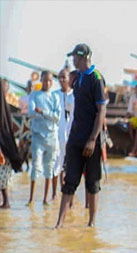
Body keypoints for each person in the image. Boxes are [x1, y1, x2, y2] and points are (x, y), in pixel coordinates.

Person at [54, 43, 107, 229]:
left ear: (82, 57)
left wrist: (93, 139)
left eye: (75, 58)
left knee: (92, 182)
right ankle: (59, 223)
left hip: (90, 139)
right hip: (75, 138)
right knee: (70, 181)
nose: (73, 61)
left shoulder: (96, 78)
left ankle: (91, 223)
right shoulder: (77, 78)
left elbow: (101, 111)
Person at [27, 71, 61, 205]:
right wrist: (46, 115)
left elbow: (57, 117)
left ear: (52, 82)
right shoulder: (34, 95)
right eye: (45, 80)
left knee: (49, 167)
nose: (47, 83)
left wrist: (42, 112)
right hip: (37, 135)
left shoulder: (54, 97)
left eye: (50, 81)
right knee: (35, 166)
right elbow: (30, 112)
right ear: (41, 80)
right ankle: (31, 199)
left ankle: (45, 199)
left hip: (51, 136)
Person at [52, 68, 75, 200]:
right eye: (59, 77)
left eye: (64, 77)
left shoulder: (74, 96)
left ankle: (67, 194)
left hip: (71, 135)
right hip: (56, 134)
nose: (61, 80)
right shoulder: (54, 95)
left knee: (68, 166)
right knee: (56, 164)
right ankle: (54, 194)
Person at [0, 80, 23, 209]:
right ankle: (6, 202)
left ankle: (6, 202)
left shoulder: (3, 107)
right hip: (5, 146)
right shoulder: (5, 106)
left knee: (2, 177)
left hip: (3, 147)